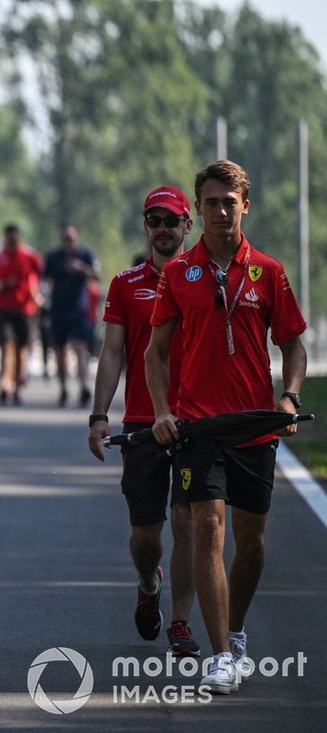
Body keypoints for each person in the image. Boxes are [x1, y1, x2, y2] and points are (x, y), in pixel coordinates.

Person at [145, 160, 307, 694]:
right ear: (199, 208)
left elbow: (293, 344)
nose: (219, 211)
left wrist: (289, 397)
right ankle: (219, 655)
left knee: (252, 543)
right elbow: (156, 354)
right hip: (197, 428)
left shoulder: (268, 270)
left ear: (245, 206)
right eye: (210, 202)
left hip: (255, 426)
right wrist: (164, 412)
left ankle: (234, 631)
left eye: (228, 202)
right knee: (207, 527)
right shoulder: (178, 273)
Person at [88, 185, 199, 657]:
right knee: (147, 535)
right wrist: (98, 415)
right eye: (155, 220)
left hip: (197, 421)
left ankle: (180, 623)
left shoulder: (205, 279)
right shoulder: (124, 283)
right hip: (140, 420)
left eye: (172, 220)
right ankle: (148, 584)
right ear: (146, 225)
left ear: (186, 225)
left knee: (190, 523)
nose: (163, 228)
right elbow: (112, 352)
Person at [44, 223, 101, 407]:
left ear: (77, 238)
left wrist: (81, 268)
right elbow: (43, 279)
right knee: (60, 350)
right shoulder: (54, 257)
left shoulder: (85, 255)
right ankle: (63, 388)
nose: (68, 242)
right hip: (58, 310)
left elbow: (97, 275)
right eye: (65, 239)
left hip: (78, 310)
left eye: (71, 239)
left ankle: (83, 386)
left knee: (79, 347)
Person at [0, 224, 43, 405]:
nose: (12, 241)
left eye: (14, 238)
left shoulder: (30, 256)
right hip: (3, 307)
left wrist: (37, 297)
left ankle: (18, 384)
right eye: (9, 238)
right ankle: (5, 382)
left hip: (24, 309)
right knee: (6, 345)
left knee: (21, 347)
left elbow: (37, 278)